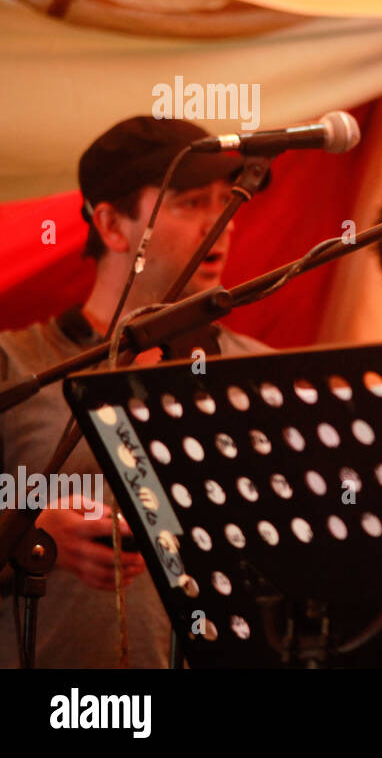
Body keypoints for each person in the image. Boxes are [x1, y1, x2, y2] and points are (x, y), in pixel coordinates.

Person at [0, 115, 267, 668]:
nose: (219, 223)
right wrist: (32, 532)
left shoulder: (258, 372)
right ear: (112, 225)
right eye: (191, 202)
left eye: (228, 199)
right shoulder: (14, 366)